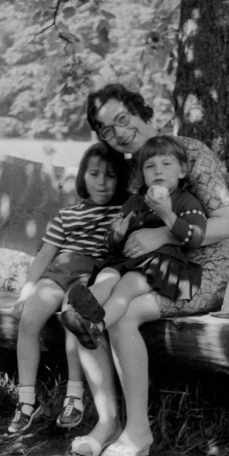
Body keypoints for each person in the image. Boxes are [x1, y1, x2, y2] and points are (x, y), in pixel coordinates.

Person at [66, 84, 229, 456]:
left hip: (199, 272)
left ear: (143, 112)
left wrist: (159, 232)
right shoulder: (131, 172)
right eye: (107, 129)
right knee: (84, 305)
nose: (119, 132)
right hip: (146, 271)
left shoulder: (189, 152)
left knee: (122, 313)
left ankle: (138, 432)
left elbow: (227, 226)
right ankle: (107, 422)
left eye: (123, 119)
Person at [6, 142, 130, 434]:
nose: (101, 182)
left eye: (111, 175)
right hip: (58, 273)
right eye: (95, 174)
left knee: (71, 317)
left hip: (89, 277)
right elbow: (44, 257)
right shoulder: (66, 216)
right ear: (83, 177)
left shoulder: (122, 213)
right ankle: (26, 400)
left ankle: (74, 395)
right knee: (29, 319)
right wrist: (26, 292)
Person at [60, 135, 207, 350]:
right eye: (150, 166)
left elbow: (195, 237)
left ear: (182, 171)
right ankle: (77, 315)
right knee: (106, 278)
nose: (158, 171)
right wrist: (117, 234)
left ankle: (97, 326)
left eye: (166, 164)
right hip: (126, 261)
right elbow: (110, 244)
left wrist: (166, 214)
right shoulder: (135, 202)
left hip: (160, 266)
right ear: (143, 174)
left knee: (125, 287)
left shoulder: (185, 201)